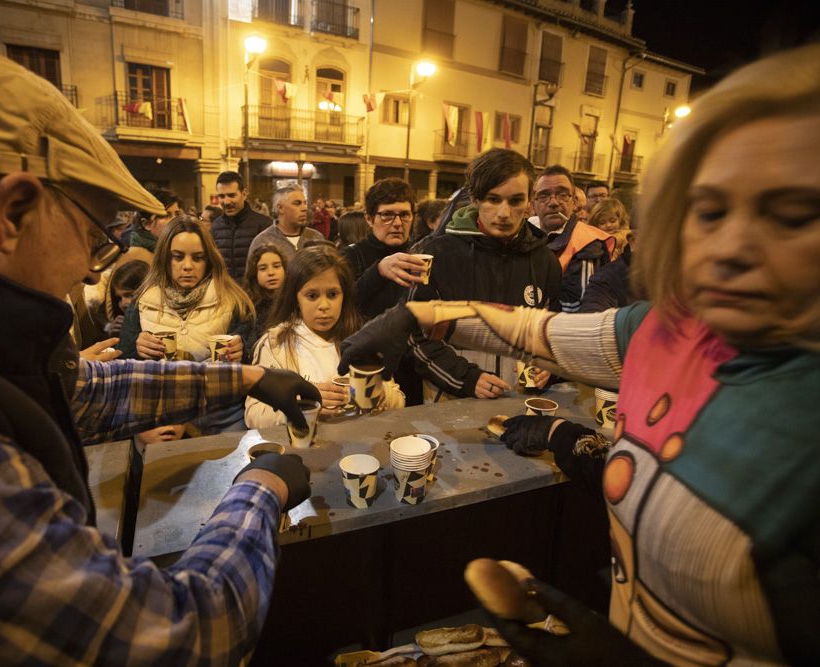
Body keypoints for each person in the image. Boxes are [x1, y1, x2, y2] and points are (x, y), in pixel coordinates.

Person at [0, 46, 323, 664]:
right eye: (92, 233)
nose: (89, 265)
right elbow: (180, 636)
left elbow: (86, 390)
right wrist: (260, 489)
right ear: (13, 212)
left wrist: (245, 375)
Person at [339, 43, 820, 665]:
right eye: (710, 209)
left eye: (791, 215)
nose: (731, 247)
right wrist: (416, 314)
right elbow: (540, 333)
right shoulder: (661, 332)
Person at [407, 149, 562, 402]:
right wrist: (466, 378)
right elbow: (413, 335)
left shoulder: (546, 262)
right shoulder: (436, 254)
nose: (504, 213)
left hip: (519, 402)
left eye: (515, 201)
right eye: (493, 199)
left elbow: (553, 333)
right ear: (475, 198)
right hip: (450, 401)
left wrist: (549, 366)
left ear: (529, 202)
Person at [246, 245, 405, 427]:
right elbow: (254, 413)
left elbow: (399, 401)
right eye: (312, 296)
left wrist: (379, 392)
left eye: (332, 294)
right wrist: (302, 405)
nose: (324, 305)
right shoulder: (276, 343)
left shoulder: (363, 338)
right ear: (295, 298)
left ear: (344, 296)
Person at [118, 216, 255, 366]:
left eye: (198, 258)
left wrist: (242, 351)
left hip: (213, 388)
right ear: (165, 258)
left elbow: (252, 356)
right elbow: (122, 360)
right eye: (178, 257)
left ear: (209, 259)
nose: (188, 266)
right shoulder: (143, 300)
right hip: (159, 388)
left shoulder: (233, 300)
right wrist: (136, 348)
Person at [341, 178, 426, 320]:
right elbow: (344, 305)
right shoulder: (352, 255)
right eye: (387, 215)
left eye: (404, 215)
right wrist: (378, 271)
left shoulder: (421, 252)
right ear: (369, 219)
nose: (398, 223)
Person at [533, 165, 614, 312]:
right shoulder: (521, 233)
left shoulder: (588, 245)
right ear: (534, 202)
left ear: (574, 202)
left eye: (562, 194)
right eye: (544, 195)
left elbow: (579, 311)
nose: (553, 202)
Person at [210, 171, 272, 281]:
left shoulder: (264, 224)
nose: (226, 201)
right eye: (222, 196)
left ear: (244, 194)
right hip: (226, 294)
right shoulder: (215, 227)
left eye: (232, 195)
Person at [248, 184, 324, 265]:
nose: (304, 208)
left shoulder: (316, 237)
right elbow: (251, 276)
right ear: (280, 208)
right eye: (297, 203)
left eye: (305, 203)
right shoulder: (262, 241)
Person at [243, 242, 287, 348]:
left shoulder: (295, 302)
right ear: (254, 273)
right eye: (263, 268)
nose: (271, 272)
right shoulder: (246, 305)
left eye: (276, 266)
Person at [127, 187, 180, 252]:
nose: (175, 220)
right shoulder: (139, 257)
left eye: (177, 214)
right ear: (147, 224)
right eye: (166, 215)